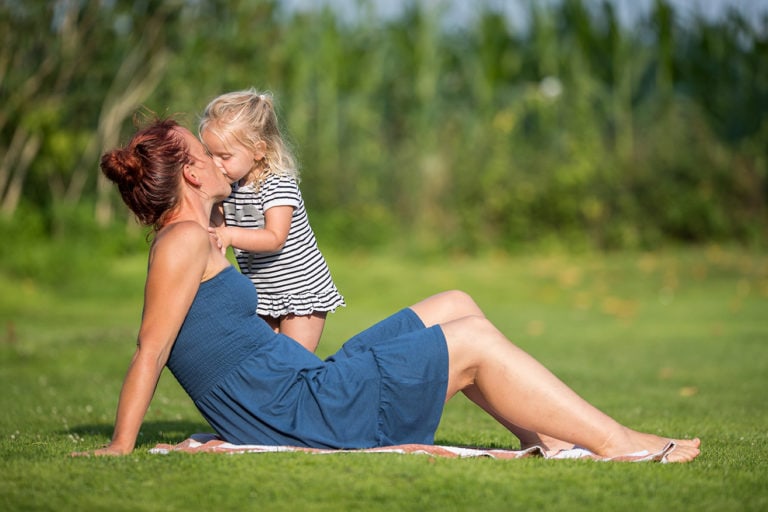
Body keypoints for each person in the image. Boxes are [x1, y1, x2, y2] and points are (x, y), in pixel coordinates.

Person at [75, 118, 700, 462]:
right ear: (190, 172)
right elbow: (150, 349)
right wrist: (121, 445)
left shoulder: (202, 233)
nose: (220, 161)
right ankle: (622, 446)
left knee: (455, 304)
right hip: (311, 412)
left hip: (308, 390)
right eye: (208, 155)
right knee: (473, 341)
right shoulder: (183, 242)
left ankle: (547, 440)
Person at [199, 89, 344, 352]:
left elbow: (275, 238)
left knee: (291, 362)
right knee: (265, 361)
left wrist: (229, 235)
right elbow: (217, 229)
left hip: (300, 290)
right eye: (209, 154)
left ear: (258, 151)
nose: (215, 164)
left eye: (224, 156)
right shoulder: (230, 187)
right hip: (262, 293)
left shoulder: (278, 185)